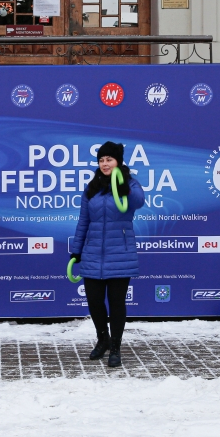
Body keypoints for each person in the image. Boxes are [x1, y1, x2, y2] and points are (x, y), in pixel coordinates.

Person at [69, 141, 145, 368]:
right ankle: (102, 339)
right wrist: (77, 250)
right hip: (93, 253)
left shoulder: (130, 182)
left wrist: (125, 188)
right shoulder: (92, 187)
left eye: (109, 159)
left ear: (118, 161)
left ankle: (116, 346)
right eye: (101, 160)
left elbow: (139, 202)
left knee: (117, 302)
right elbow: (84, 220)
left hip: (120, 253)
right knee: (94, 302)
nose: (104, 164)